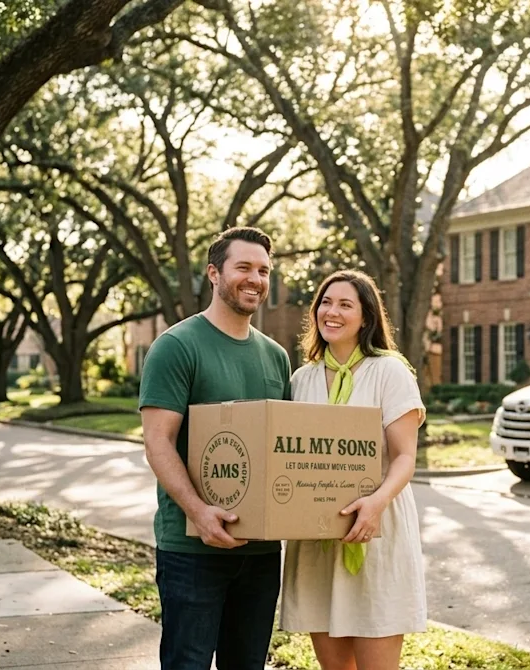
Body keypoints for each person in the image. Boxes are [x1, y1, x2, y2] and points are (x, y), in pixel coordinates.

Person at [138, 226, 292, 670]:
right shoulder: (176, 346)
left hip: (260, 552)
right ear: (214, 273)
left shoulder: (276, 356)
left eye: (263, 270)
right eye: (243, 267)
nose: (255, 279)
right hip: (193, 550)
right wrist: (198, 512)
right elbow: (158, 442)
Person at [279, 269, 426, 670]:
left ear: (366, 317)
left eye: (346, 304)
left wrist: (375, 504)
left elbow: (404, 457)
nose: (333, 312)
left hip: (376, 530)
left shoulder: (389, 371)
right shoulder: (301, 380)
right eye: (326, 302)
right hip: (317, 540)